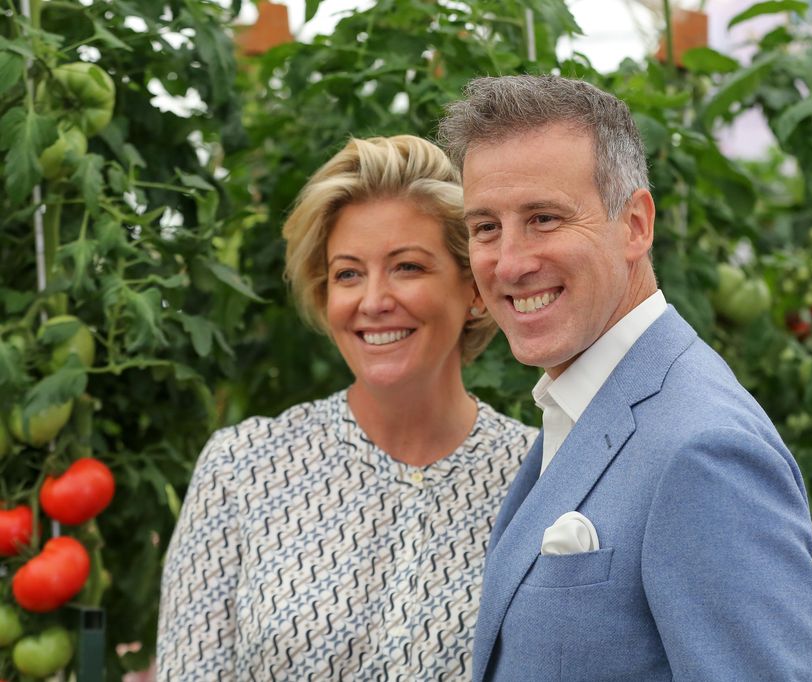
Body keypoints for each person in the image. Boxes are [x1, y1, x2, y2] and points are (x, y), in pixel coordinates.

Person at [438, 75, 812, 681]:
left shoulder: (704, 449)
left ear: (635, 225)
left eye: (544, 218)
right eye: (486, 227)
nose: (510, 262)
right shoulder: (586, 402)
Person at [156, 135, 536, 680]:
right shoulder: (241, 468)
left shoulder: (535, 479)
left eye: (407, 267)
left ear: (475, 287)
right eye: (348, 273)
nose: (374, 301)